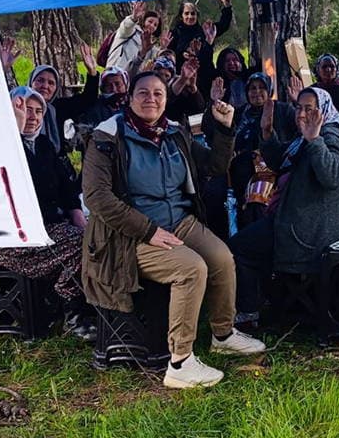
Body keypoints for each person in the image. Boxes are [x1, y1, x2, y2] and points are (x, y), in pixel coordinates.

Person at [81, 71, 265, 390]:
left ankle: (223, 333)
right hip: (129, 232)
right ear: (130, 97)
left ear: (166, 99)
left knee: (221, 257)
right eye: (143, 93)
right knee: (190, 268)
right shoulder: (107, 138)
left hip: (178, 219)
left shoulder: (174, 133)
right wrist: (148, 230)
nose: (151, 98)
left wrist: (223, 128)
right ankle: (180, 362)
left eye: (158, 93)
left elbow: (214, 167)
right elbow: (97, 198)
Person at [0, 87, 93, 338]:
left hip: (46, 227)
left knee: (94, 237)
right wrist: (13, 131)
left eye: (38, 111)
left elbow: (65, 187)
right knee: (80, 245)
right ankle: (72, 312)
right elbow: (8, 179)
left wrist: (76, 214)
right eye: (25, 109)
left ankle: (62, 304)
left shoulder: (42, 144)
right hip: (6, 237)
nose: (32, 116)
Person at [229, 87, 339, 325]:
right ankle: (263, 303)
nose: (301, 114)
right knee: (245, 239)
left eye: (309, 108)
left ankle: (249, 311)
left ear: (323, 111)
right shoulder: (302, 139)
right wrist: (266, 134)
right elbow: (281, 161)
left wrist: (315, 140)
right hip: (292, 222)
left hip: (309, 233)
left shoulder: (332, 138)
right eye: (299, 107)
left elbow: (334, 176)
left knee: (240, 248)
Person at [206, 72, 297, 229]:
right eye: (252, 88)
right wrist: (214, 102)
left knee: (257, 199)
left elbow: (301, 130)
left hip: (272, 167)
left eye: (262, 88)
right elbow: (211, 131)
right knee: (212, 192)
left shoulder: (283, 109)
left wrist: (297, 102)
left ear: (269, 90)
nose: (256, 92)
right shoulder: (239, 113)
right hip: (238, 169)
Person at [26, 43, 100, 157]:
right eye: (40, 80)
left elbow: (88, 99)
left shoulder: (59, 107)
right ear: (31, 82)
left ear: (56, 88)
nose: (45, 86)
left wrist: (92, 72)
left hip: (55, 165)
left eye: (51, 83)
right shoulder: (19, 106)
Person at [168, 0, 232, 65]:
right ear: (181, 16)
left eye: (193, 14)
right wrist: (182, 55)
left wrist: (227, 7)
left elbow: (224, 25)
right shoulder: (174, 33)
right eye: (186, 13)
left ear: (197, 16)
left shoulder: (205, 30)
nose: (190, 16)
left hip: (205, 71)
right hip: (183, 72)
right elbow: (169, 55)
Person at [106, 0, 163, 71]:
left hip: (131, 78)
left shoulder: (151, 45)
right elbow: (126, 27)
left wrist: (163, 47)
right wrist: (134, 17)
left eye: (155, 25)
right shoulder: (132, 30)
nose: (151, 25)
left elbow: (156, 57)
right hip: (114, 71)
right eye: (150, 21)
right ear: (144, 20)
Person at [312, 53, 339, 118]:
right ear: (318, 70)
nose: (328, 69)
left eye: (332, 66)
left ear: (337, 69)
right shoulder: (313, 90)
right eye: (324, 67)